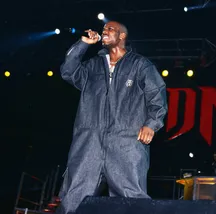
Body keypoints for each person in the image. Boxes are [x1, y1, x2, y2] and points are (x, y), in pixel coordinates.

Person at [55, 21, 168, 214]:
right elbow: (68, 71)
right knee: (74, 196)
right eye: (103, 29)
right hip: (89, 141)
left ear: (122, 36)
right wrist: (82, 44)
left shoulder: (140, 65)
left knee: (132, 199)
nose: (104, 32)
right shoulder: (92, 67)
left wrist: (151, 124)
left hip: (127, 141)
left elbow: (157, 95)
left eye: (110, 29)